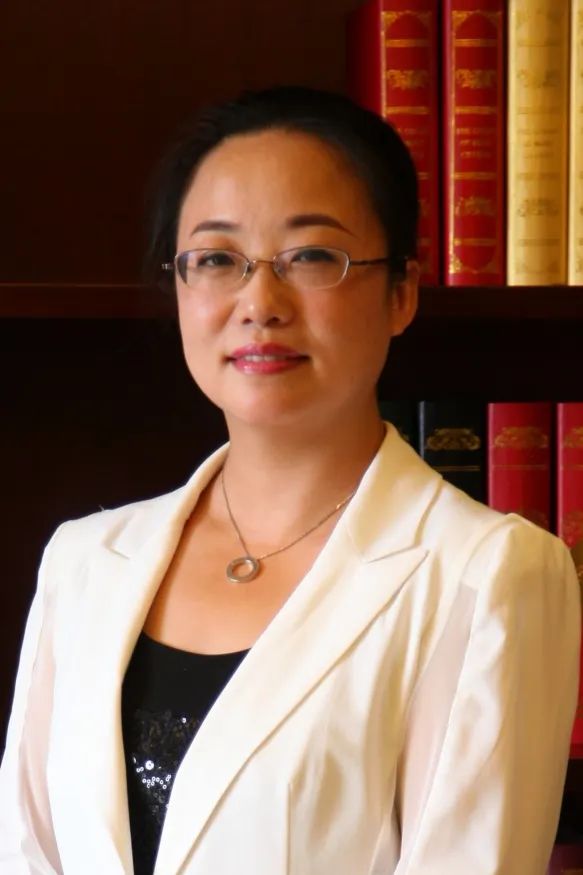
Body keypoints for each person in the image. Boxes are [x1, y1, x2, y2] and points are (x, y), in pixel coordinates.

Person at [0, 86, 579, 875]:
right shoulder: (83, 561)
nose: (259, 303)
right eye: (215, 259)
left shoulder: (487, 574)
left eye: (310, 257)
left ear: (401, 291)